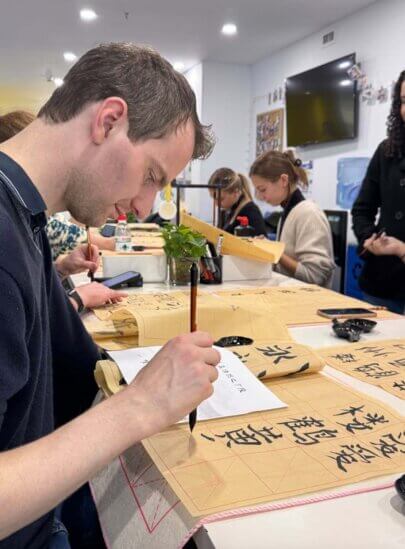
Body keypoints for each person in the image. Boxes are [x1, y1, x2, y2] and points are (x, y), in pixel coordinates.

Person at [0, 42, 219, 548]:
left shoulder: (24, 216)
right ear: (109, 121)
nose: (144, 207)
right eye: (151, 176)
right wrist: (142, 404)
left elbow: (70, 360)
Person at [0, 110, 126, 312]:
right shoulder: (10, 227)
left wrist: (61, 269)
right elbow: (32, 326)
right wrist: (78, 298)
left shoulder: (30, 218)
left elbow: (30, 297)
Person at [352, 70, 405, 314]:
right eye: (404, 101)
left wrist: (402, 250)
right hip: (381, 283)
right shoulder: (387, 151)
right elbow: (363, 209)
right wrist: (368, 237)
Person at [250, 150, 335, 287]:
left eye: (262, 189)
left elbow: (315, 276)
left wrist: (275, 252)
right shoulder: (287, 214)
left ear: (283, 180)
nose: (260, 196)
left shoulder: (308, 213)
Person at [208, 167, 267, 236]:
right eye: (213, 198)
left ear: (236, 192)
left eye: (220, 199)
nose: (216, 204)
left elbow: (262, 242)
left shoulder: (251, 212)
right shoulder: (226, 210)